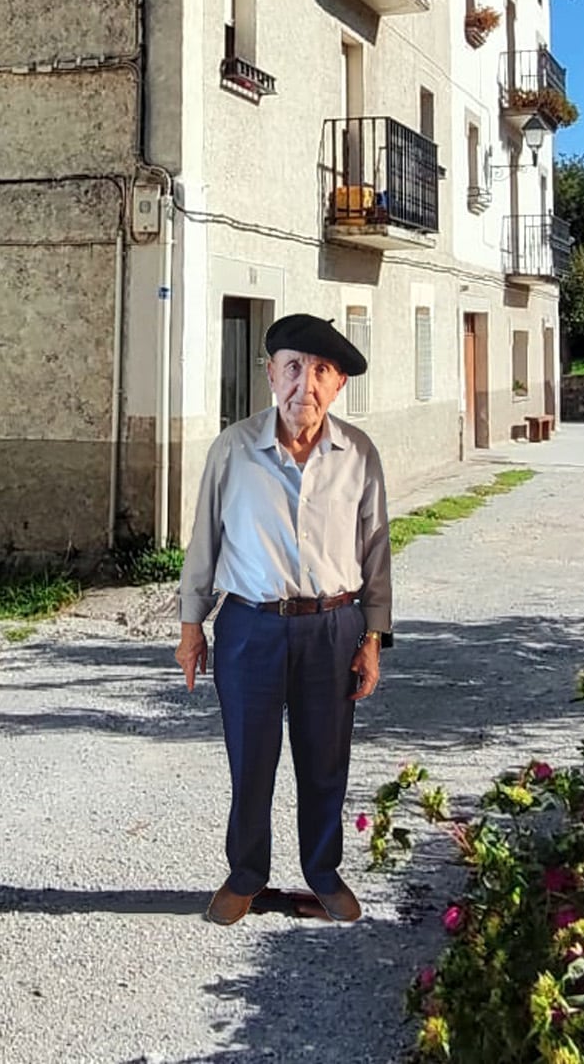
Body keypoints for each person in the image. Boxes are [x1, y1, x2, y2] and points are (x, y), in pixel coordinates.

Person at [175, 312, 393, 926]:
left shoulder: (358, 455)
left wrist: (372, 637)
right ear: (270, 375)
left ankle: (322, 874)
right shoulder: (234, 450)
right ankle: (246, 875)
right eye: (294, 367)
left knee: (325, 762)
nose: (307, 383)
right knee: (251, 760)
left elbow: (375, 550)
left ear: (340, 384)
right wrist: (192, 628)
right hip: (251, 628)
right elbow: (204, 543)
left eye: (322, 371)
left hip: (333, 627)